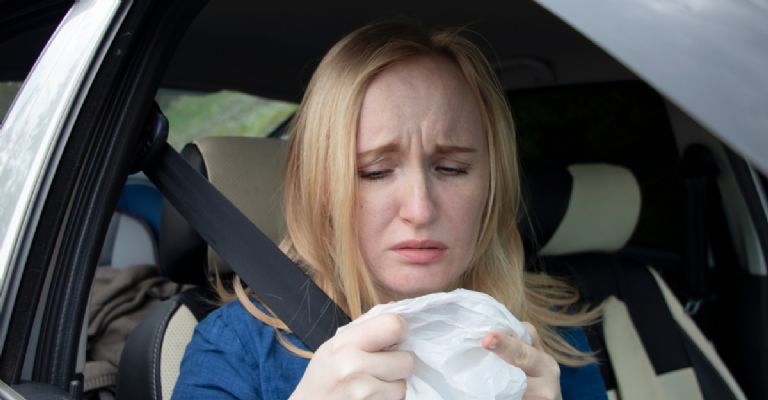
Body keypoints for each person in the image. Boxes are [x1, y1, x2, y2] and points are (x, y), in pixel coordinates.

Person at [172, 22, 606, 400]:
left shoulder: (550, 346)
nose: (419, 210)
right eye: (374, 171)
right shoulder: (237, 350)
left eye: (452, 168)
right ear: (321, 188)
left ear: (492, 184)